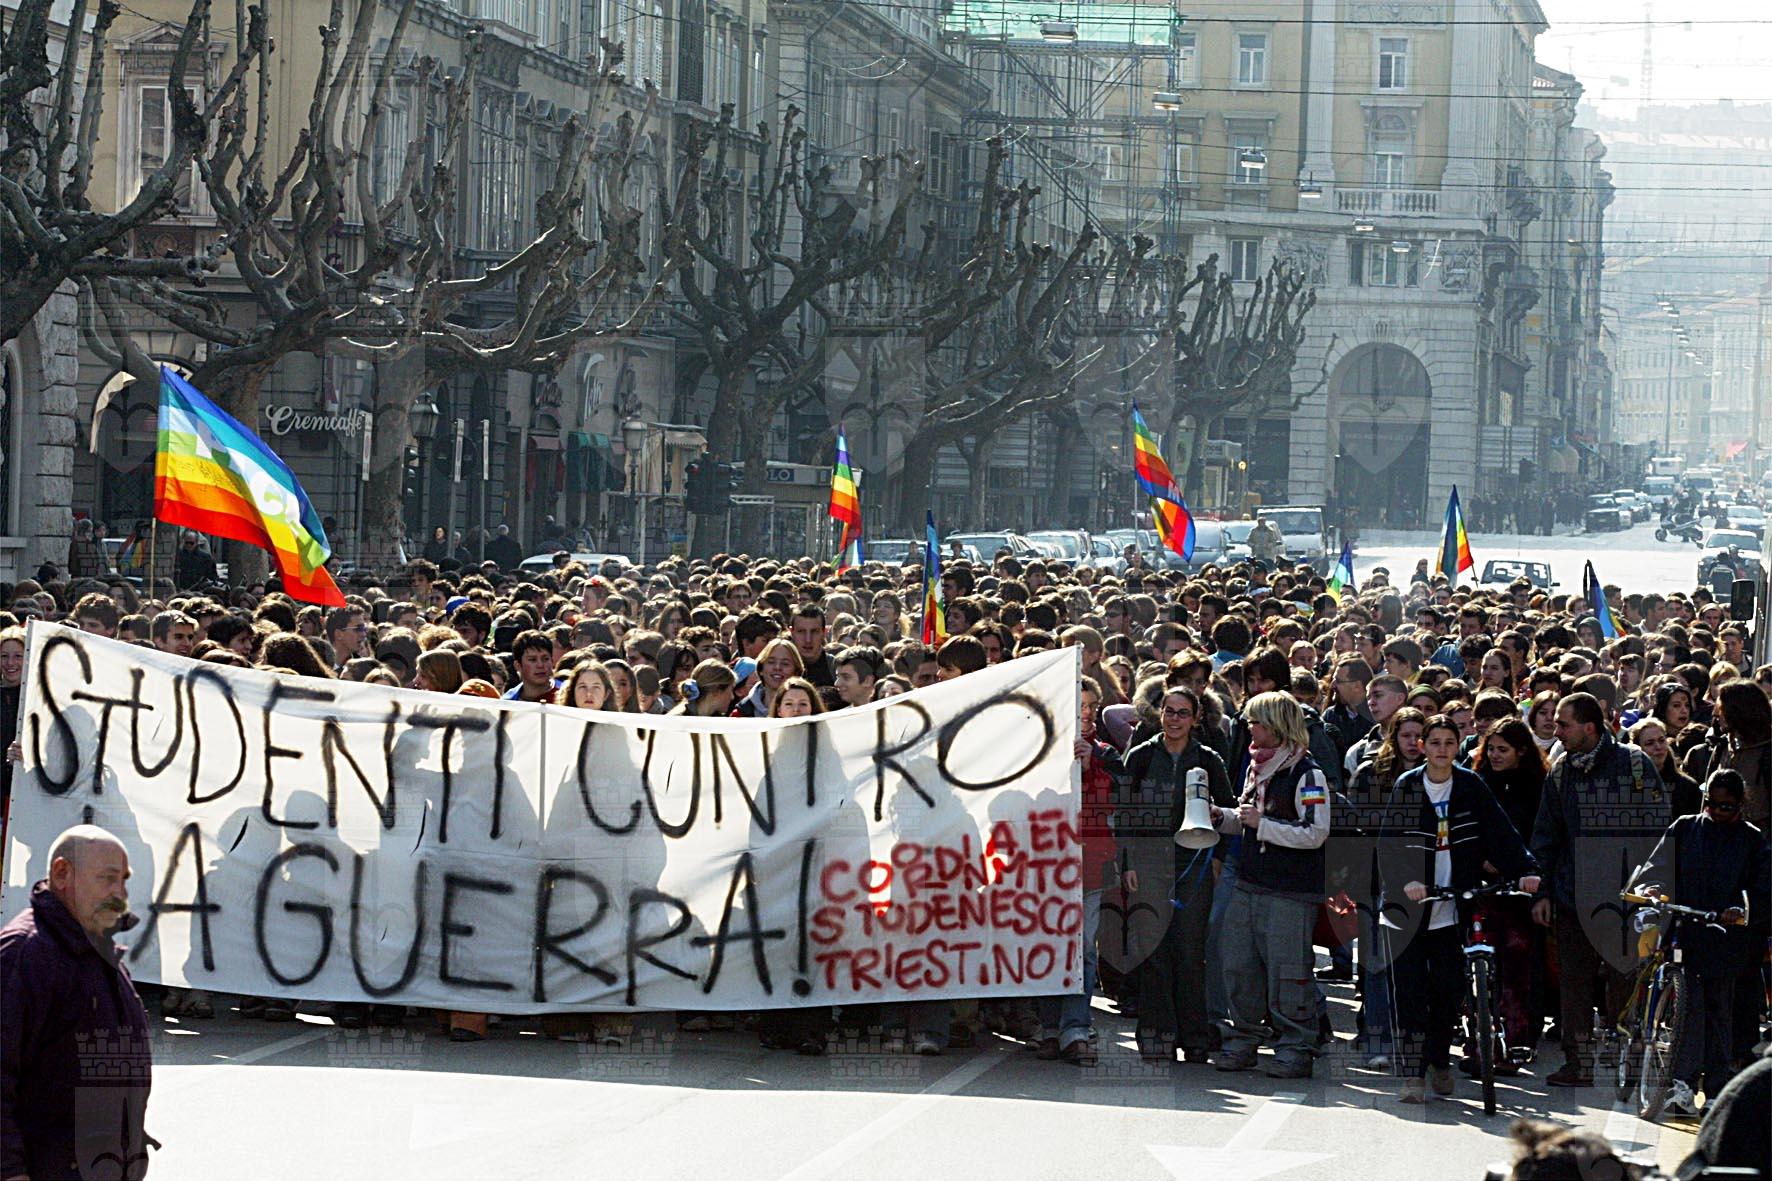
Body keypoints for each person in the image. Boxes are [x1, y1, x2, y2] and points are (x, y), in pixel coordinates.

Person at [1382, 714, 1539, 1102]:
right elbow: (1390, 844)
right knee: (1410, 994)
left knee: (1449, 991)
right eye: (1434, 742)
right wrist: (1406, 882)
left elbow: (1501, 833)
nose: (1442, 750)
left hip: (1456, 904)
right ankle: (1413, 1073)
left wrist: (1525, 870)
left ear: (1458, 747)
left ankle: (1439, 1060)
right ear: (1423, 746)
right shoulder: (1408, 786)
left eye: (1449, 743)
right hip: (1411, 909)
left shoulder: (1470, 786)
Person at [1529, 692, 1668, 1086]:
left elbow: (1660, 830)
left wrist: (1650, 886)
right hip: (1573, 898)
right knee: (1574, 984)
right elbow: (1546, 836)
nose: (1557, 731)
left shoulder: (1635, 765)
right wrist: (1542, 892)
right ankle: (1578, 1064)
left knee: (1625, 980)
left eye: (1564, 724)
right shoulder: (1560, 771)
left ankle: (1625, 1058)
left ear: (1589, 728)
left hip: (1626, 899)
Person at [1, 825, 155, 1179]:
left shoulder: (99, 953)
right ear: (62, 874)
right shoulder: (26, 954)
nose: (120, 894)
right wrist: (10, 1170)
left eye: (123, 881)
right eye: (107, 879)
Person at [1627, 769, 1768, 1116]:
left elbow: (1763, 888)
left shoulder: (1752, 840)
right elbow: (1657, 866)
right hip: (1685, 931)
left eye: (1726, 807)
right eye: (1711, 804)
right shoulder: (1685, 828)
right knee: (1687, 1010)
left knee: (1720, 1012)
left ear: (1740, 805)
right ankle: (1682, 1083)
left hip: (1725, 939)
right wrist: (1652, 888)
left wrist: (1741, 909)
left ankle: (1716, 1088)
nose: (1716, 812)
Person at [1209, 691, 1331, 1079]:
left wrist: (1262, 825)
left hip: (1290, 892)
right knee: (1239, 966)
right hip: (1249, 883)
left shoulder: (1308, 774)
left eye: (1256, 722)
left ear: (1277, 726)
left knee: (1289, 972)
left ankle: (1296, 1045)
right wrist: (1222, 817)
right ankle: (1244, 1038)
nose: (1249, 728)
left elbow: (1315, 832)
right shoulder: (1256, 767)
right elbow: (1247, 819)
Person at [1114, 685, 1233, 1065]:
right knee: (1153, 953)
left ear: (1195, 719)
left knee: (1190, 952)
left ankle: (1194, 1037)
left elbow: (1227, 812)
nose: (1174, 719)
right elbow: (1123, 815)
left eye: (1183, 713)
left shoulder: (1209, 760)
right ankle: (1156, 1038)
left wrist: (1217, 860)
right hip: (1149, 865)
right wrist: (1127, 863)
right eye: (1169, 711)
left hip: (1194, 867)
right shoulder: (1142, 757)